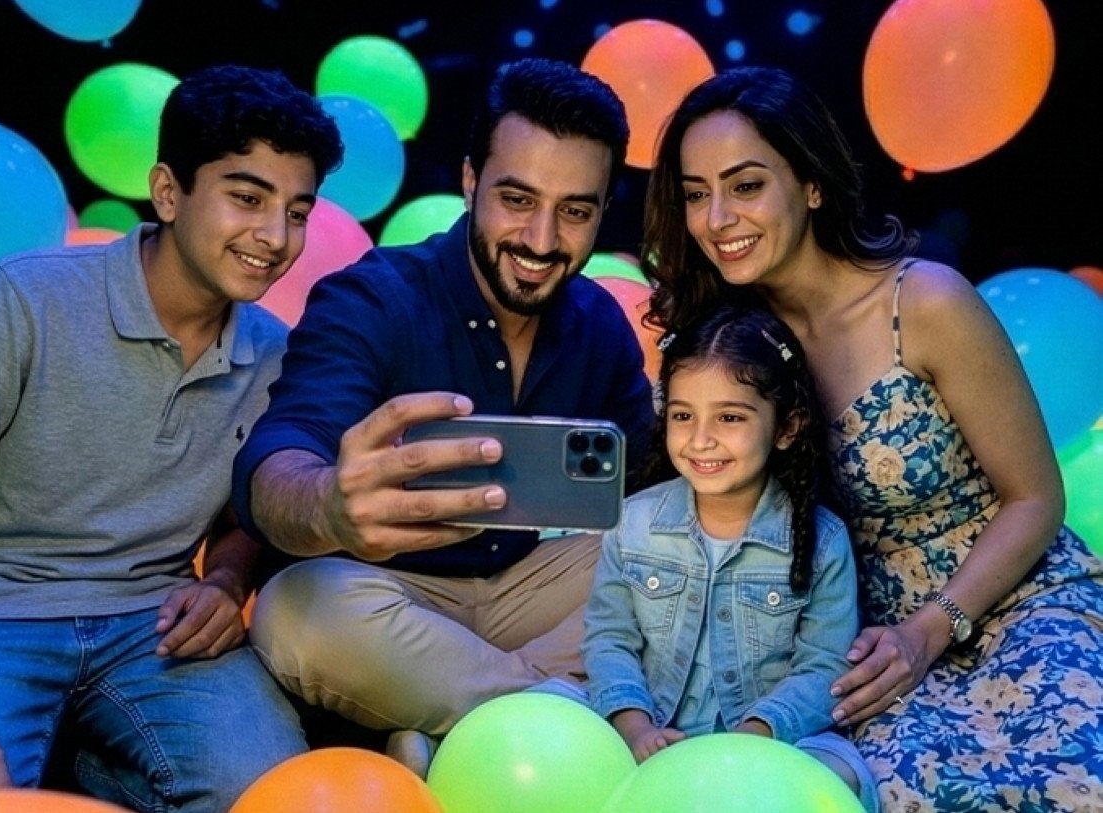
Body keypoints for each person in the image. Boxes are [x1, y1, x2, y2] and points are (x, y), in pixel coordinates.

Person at [0, 64, 344, 813]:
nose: (275, 236)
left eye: (298, 211)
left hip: (151, 621)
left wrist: (227, 581)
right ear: (169, 192)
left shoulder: (275, 351)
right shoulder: (22, 299)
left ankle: (77, 763)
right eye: (247, 197)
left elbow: (243, 516)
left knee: (273, 797)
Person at [644, 64, 1103, 811]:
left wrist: (931, 629)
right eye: (697, 194)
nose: (717, 217)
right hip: (864, 649)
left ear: (813, 183)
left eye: (746, 184)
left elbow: (1036, 498)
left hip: (1016, 601)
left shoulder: (922, 302)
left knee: (1075, 781)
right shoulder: (731, 349)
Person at [230, 57, 655, 775]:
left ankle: (450, 731)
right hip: (389, 590)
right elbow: (280, 457)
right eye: (516, 199)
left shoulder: (600, 324)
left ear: (601, 210)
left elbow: (642, 484)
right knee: (295, 607)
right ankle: (573, 726)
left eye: (575, 211)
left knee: (669, 560)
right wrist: (328, 506)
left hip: (532, 590)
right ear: (469, 181)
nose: (542, 239)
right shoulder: (374, 297)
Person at [581, 306, 878, 812]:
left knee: (841, 773)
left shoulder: (821, 541)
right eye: (682, 416)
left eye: (730, 417)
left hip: (768, 739)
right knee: (552, 706)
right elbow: (610, 638)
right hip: (654, 729)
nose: (700, 439)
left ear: (787, 427)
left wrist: (757, 733)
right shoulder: (632, 524)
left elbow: (824, 665)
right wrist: (634, 726)